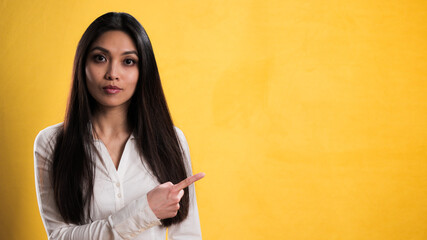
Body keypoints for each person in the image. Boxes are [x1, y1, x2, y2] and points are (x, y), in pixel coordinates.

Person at [34, 12, 204, 239]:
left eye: (128, 61)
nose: (112, 74)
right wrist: (144, 212)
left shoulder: (170, 140)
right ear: (82, 65)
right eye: (100, 58)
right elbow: (59, 236)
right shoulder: (52, 143)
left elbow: (187, 235)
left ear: (144, 71)